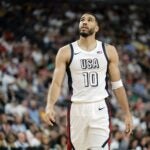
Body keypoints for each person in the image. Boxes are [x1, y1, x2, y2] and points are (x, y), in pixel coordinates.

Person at [45, 12, 133, 150]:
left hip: (99, 108)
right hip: (76, 109)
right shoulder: (65, 51)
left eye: (89, 20)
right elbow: (56, 83)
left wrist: (127, 113)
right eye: (82, 20)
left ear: (96, 28)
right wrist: (50, 105)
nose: (84, 22)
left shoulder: (108, 50)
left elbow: (117, 85)